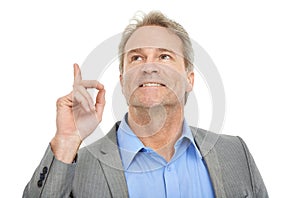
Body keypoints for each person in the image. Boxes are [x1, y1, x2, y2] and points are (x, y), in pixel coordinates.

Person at [23, 11, 268, 198]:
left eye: (164, 56)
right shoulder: (76, 164)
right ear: (123, 80)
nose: (149, 66)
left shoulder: (235, 152)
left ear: (189, 80)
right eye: (137, 57)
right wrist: (66, 142)